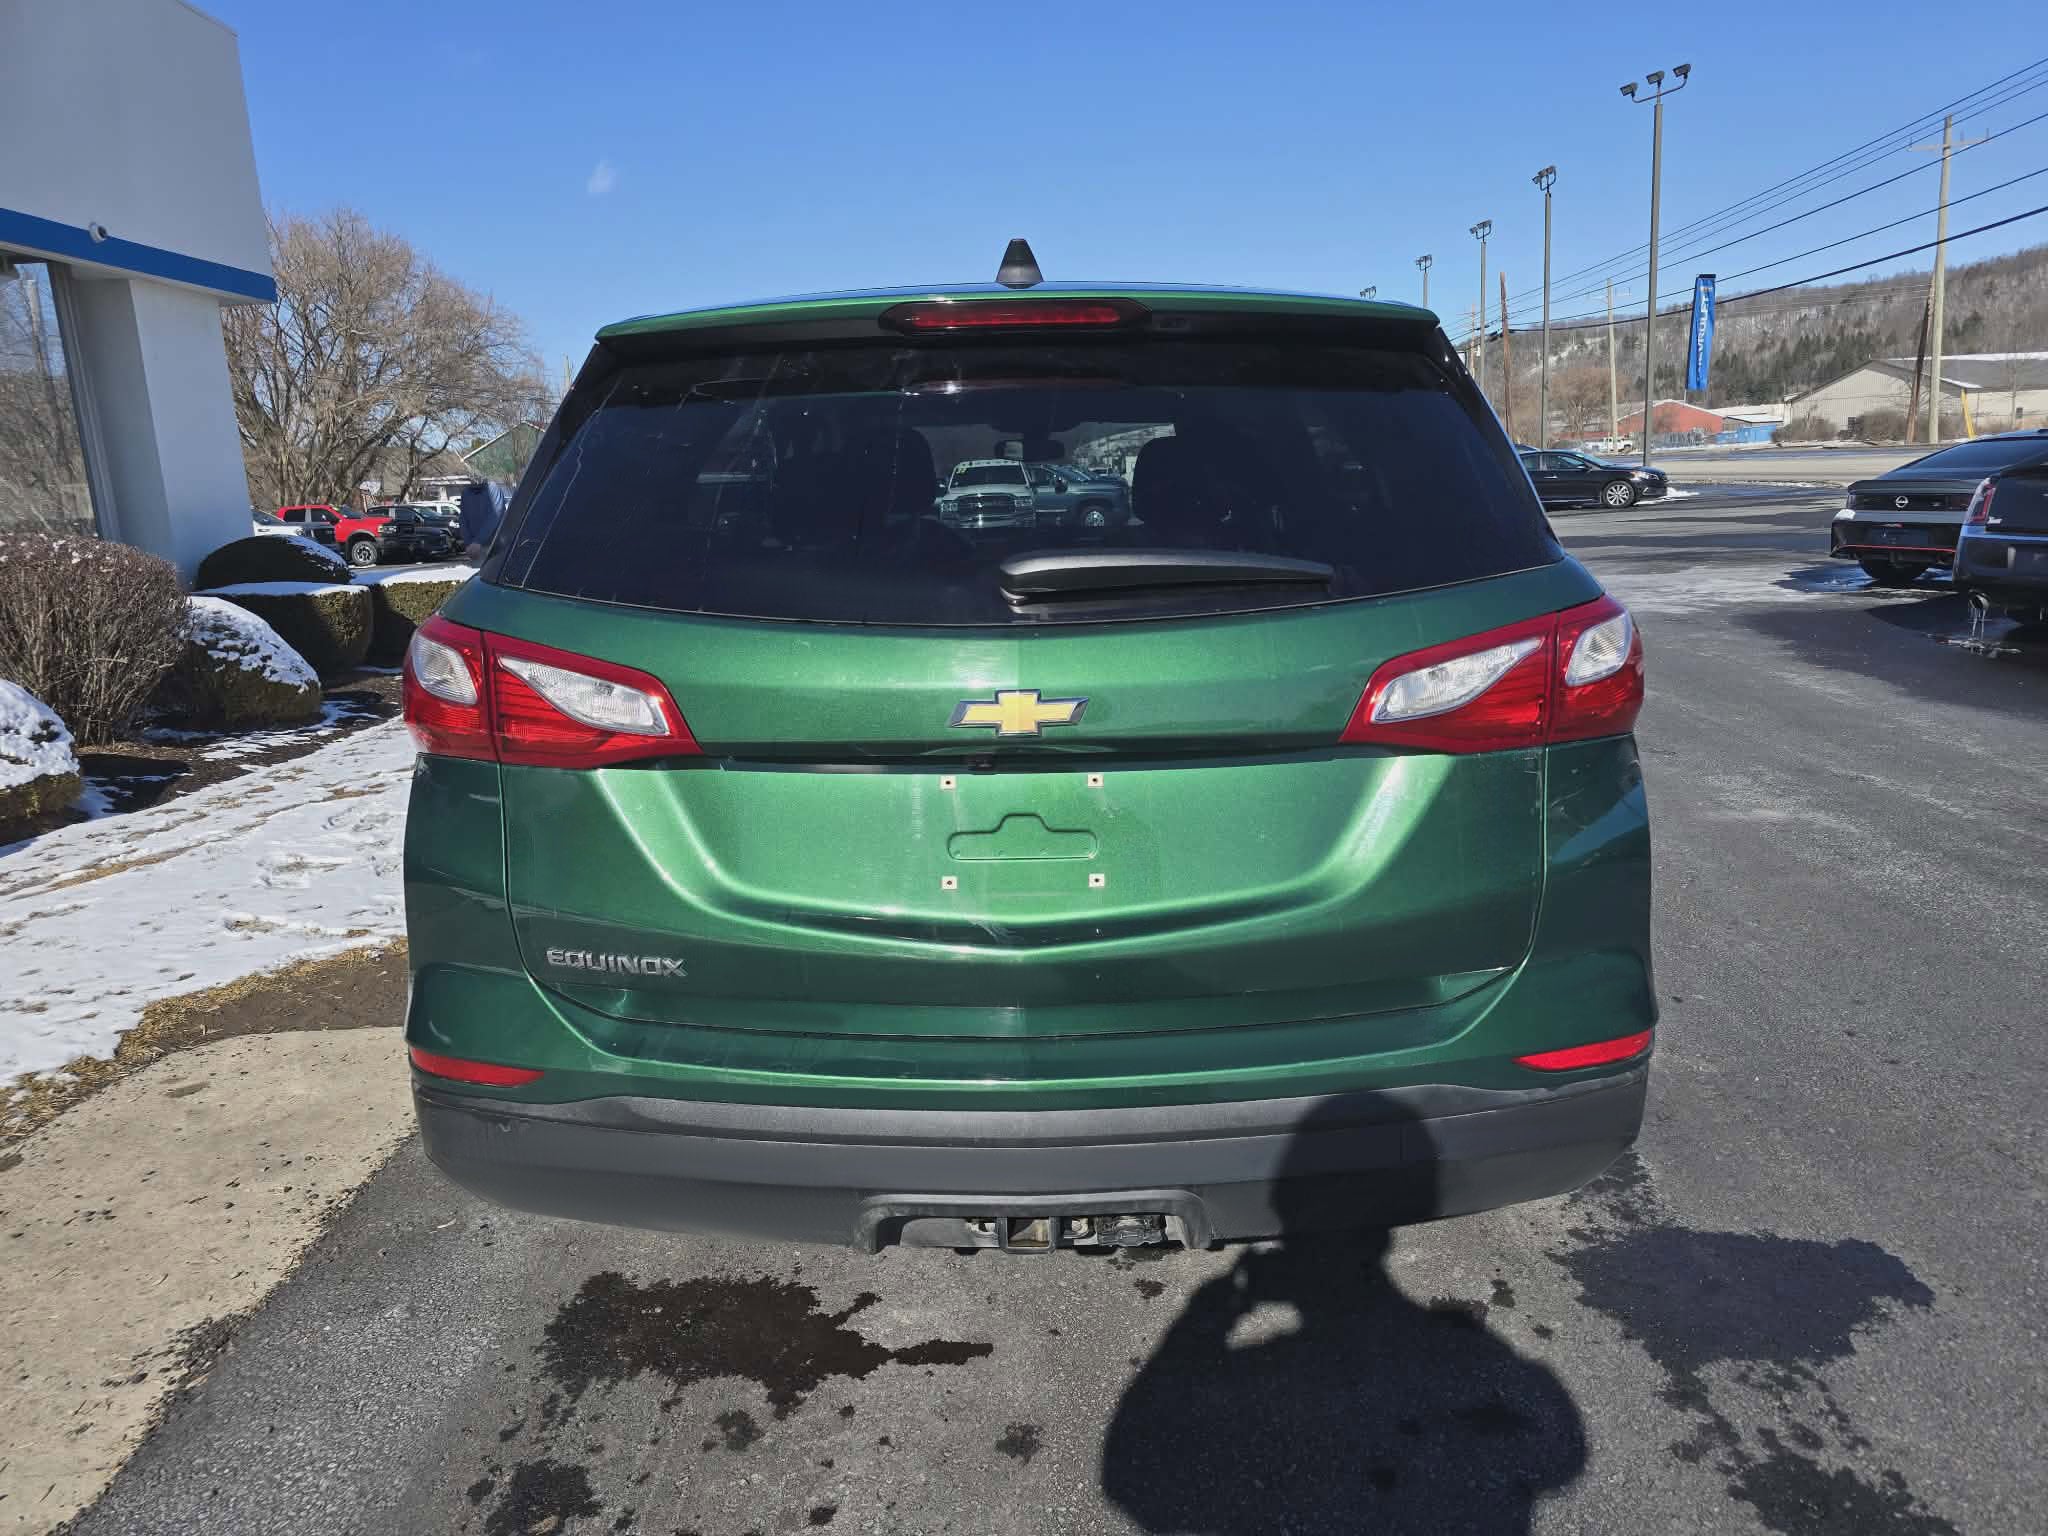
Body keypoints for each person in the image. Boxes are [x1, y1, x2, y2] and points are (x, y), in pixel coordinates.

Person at [459, 479, 508, 563]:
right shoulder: (466, 492)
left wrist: (476, 542)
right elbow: (463, 519)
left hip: (492, 546)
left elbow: (495, 515)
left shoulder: (492, 488)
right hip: (474, 548)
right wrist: (469, 543)